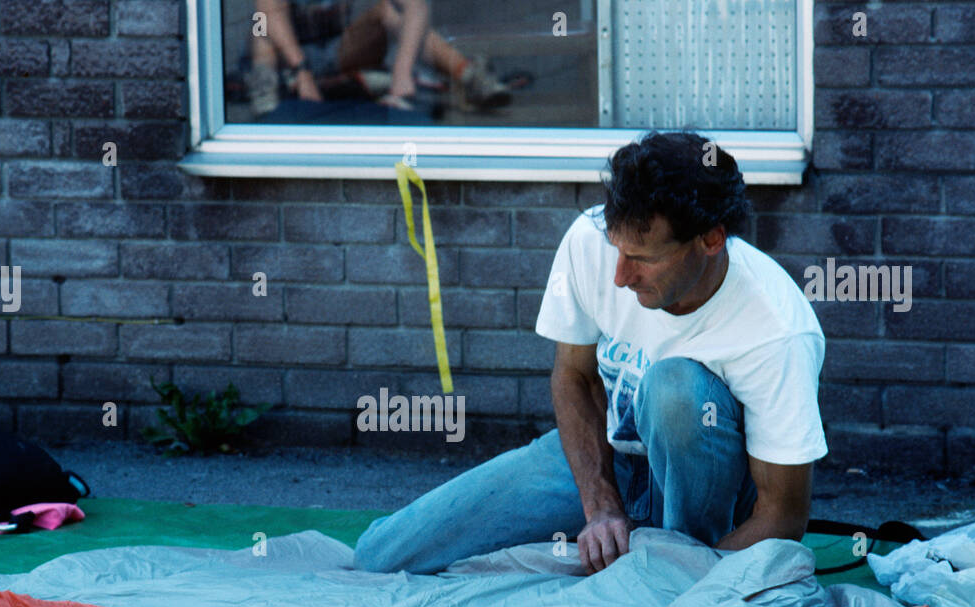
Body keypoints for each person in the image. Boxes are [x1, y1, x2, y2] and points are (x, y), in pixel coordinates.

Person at [354, 131, 828, 576]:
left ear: (710, 239)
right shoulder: (588, 239)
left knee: (675, 390)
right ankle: (639, 542)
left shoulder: (777, 329)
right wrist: (600, 506)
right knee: (383, 555)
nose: (620, 276)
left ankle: (672, 554)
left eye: (642, 258)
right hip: (614, 459)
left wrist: (681, 579)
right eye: (617, 250)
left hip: (710, 489)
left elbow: (782, 517)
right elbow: (574, 375)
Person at [246, 0, 509, 116]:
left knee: (390, 12)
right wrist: (302, 74)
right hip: (291, 57)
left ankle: (466, 74)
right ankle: (264, 84)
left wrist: (402, 75)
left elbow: (415, 7)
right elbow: (269, 10)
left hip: (337, 53)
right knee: (262, 22)